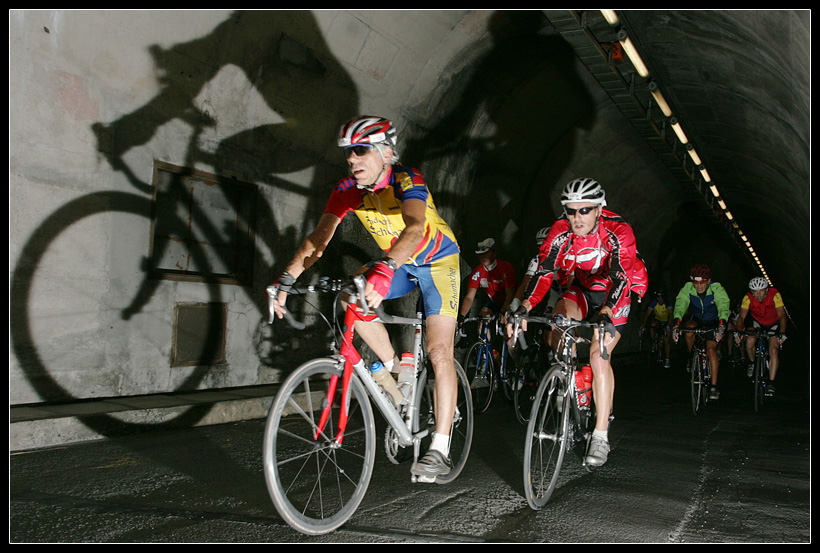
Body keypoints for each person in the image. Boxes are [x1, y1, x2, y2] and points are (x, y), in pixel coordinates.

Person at [269, 116, 461, 479]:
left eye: (360, 150)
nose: (352, 160)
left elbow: (416, 228)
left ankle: (440, 448)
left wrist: (385, 267)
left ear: (386, 152)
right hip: (398, 262)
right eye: (348, 154)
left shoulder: (408, 179)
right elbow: (318, 241)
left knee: (439, 352)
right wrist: (287, 276)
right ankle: (395, 368)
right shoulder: (347, 189)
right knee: (347, 297)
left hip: (437, 261)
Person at [510, 178, 640, 468]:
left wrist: (606, 310)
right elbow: (544, 272)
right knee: (559, 320)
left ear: (598, 209)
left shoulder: (619, 230)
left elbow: (622, 278)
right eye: (571, 211)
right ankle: (568, 382)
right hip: (582, 289)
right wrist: (525, 307)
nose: (576, 217)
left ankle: (601, 435)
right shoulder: (559, 231)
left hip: (614, 293)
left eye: (584, 210)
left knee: (598, 355)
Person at [671, 264, 731, 400]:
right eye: (696, 282)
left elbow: (723, 305)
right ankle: (691, 355)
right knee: (689, 330)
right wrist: (676, 324)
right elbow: (681, 304)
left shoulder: (717, 289)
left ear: (708, 281)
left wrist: (722, 325)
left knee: (711, 350)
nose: (699, 286)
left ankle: (714, 387)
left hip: (712, 321)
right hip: (696, 319)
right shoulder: (688, 288)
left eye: (702, 282)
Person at [736, 277, 787, 396]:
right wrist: (738, 331)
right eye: (755, 292)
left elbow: (782, 315)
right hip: (758, 323)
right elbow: (742, 316)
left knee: (773, 350)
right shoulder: (747, 298)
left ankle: (771, 383)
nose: (758, 295)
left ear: (766, 290)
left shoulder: (775, 295)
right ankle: (753, 363)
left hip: (773, 324)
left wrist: (782, 333)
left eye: (761, 291)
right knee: (749, 342)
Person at [459, 238, 518, 322]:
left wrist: (503, 311)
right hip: (495, 303)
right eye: (480, 254)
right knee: (483, 316)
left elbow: (510, 295)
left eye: (486, 253)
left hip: (511, 301)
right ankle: (483, 334)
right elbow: (469, 297)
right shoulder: (477, 272)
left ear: (494, 253)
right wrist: (462, 316)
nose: (482, 257)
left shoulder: (506, 267)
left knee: (507, 322)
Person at [642, 289, 673, 367]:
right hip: (658, 320)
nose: (660, 299)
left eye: (661, 297)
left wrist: (668, 326)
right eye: (658, 297)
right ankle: (653, 341)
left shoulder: (667, 304)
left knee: (666, 340)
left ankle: (667, 358)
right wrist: (644, 324)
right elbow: (647, 314)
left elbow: (670, 315)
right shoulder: (654, 303)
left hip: (666, 321)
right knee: (652, 325)